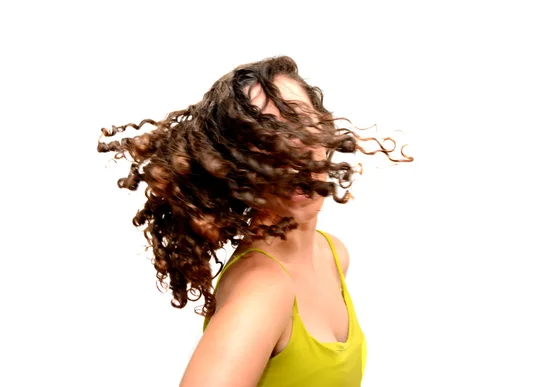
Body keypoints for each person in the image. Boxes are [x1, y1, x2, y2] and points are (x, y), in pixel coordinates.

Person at [97, 56, 412, 386]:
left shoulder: (332, 254)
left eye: (300, 126)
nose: (292, 158)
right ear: (234, 169)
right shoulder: (263, 291)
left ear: (326, 129)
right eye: (264, 143)